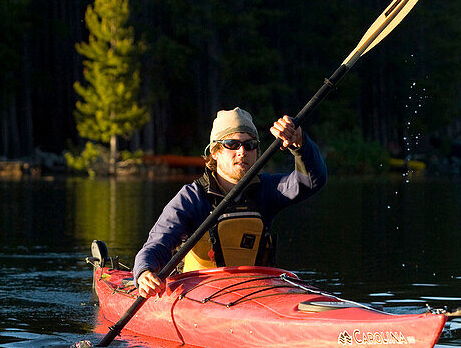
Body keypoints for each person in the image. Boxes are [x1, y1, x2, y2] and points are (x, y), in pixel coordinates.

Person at [134, 107, 327, 297]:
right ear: (215, 152)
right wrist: (145, 272)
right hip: (201, 294)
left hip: (258, 291)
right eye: (232, 144)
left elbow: (311, 180)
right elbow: (158, 243)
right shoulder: (192, 198)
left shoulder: (267, 190)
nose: (242, 151)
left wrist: (300, 142)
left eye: (250, 144)